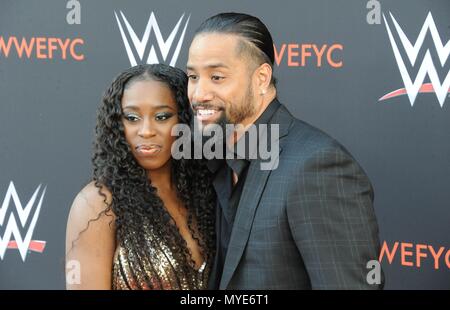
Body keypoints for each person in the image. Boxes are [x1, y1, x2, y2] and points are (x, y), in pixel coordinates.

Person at [186, 12, 384, 289]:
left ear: (262, 78)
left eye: (217, 77)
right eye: (193, 76)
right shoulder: (214, 156)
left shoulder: (316, 166)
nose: (198, 93)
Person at [65, 64, 216, 290]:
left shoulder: (205, 194)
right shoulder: (97, 204)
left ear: (185, 121)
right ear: (118, 124)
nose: (146, 131)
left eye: (162, 116)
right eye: (132, 117)